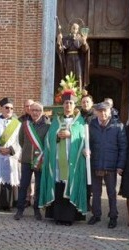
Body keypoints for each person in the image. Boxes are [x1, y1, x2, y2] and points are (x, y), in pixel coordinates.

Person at [39, 92, 88, 225]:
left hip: (72, 161)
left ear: (74, 105)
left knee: (69, 185)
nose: (68, 105)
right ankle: (58, 217)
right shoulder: (56, 120)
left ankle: (69, 218)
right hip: (57, 161)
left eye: (71, 103)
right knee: (59, 186)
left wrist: (70, 134)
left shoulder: (79, 121)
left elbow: (83, 139)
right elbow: (48, 139)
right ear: (63, 105)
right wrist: (56, 135)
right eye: (66, 103)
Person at [86, 102, 126, 229]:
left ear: (110, 111)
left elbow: (123, 147)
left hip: (111, 166)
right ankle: (96, 214)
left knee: (111, 193)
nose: (103, 113)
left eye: (105, 111)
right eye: (100, 111)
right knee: (96, 192)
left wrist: (120, 165)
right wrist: (85, 151)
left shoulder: (118, 126)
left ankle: (113, 216)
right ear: (96, 112)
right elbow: (86, 143)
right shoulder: (91, 125)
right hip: (95, 163)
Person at [14, 102, 50, 221]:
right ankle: (20, 210)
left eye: (38, 110)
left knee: (39, 186)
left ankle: (37, 210)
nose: (35, 112)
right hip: (26, 160)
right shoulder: (25, 125)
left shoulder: (47, 126)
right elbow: (21, 141)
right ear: (30, 111)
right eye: (33, 110)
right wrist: (28, 150)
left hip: (40, 160)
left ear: (42, 112)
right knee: (24, 185)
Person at [0, 97, 21, 210]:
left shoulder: (17, 124)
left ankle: (9, 204)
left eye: (11, 108)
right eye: (7, 107)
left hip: (11, 156)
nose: (9, 110)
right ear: (1, 108)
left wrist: (10, 149)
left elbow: (19, 141)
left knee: (10, 177)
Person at [57, 22, 90, 90]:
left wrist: (84, 42)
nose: (75, 30)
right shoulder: (66, 38)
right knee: (68, 75)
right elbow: (60, 50)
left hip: (77, 58)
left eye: (76, 28)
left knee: (78, 75)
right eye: (73, 28)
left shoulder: (80, 38)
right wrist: (59, 41)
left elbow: (85, 50)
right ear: (71, 29)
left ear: (78, 30)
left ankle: (79, 93)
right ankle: (68, 91)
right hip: (69, 58)